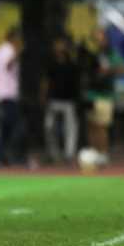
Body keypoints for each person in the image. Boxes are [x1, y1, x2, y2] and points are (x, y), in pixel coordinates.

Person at [83, 27, 124, 164]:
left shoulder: (110, 53)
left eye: (100, 37)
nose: (98, 40)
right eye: (96, 37)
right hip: (91, 94)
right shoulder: (92, 54)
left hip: (105, 95)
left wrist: (108, 70)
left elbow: (123, 69)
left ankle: (103, 153)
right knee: (91, 125)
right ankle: (94, 152)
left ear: (106, 39)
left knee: (101, 126)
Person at [41, 35, 81, 164]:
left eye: (61, 45)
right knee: (49, 127)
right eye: (57, 45)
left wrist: (77, 99)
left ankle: (69, 154)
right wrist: (43, 96)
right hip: (53, 100)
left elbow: (77, 83)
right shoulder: (50, 63)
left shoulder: (72, 64)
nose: (59, 48)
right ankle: (53, 154)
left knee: (70, 129)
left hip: (68, 100)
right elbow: (45, 81)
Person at [0, 27, 25, 167]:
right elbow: (8, 64)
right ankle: (14, 156)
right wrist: (17, 53)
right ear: (13, 38)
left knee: (6, 127)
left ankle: (1, 156)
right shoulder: (8, 50)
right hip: (7, 94)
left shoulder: (0, 50)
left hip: (4, 93)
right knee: (17, 126)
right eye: (18, 38)